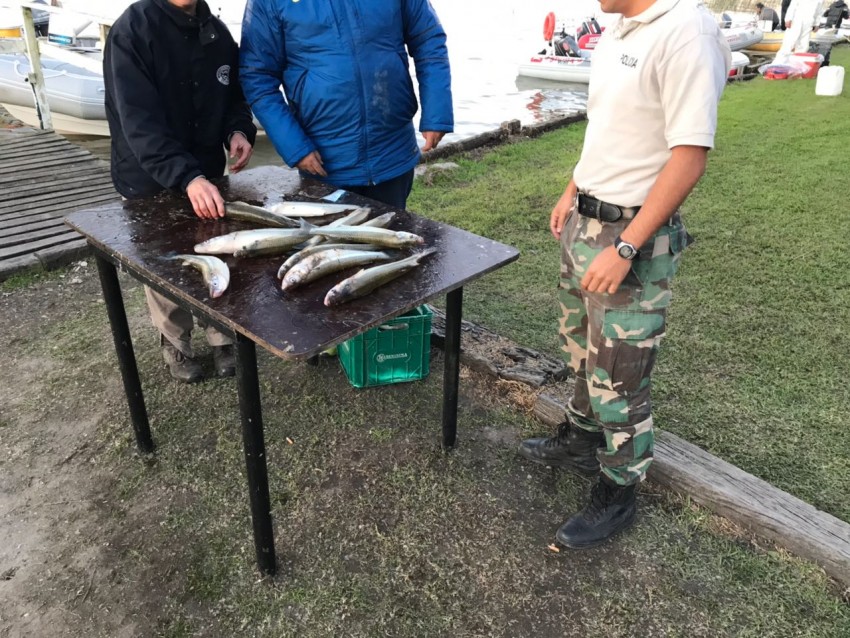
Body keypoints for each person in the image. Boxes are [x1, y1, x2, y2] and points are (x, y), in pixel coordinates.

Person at [518, 0, 730, 549]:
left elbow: (689, 156)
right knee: (582, 350)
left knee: (621, 372)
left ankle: (620, 490)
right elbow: (606, 130)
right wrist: (572, 190)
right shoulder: (616, 31)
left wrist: (628, 245)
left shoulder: (687, 32)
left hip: (632, 235)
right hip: (586, 224)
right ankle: (583, 441)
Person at [103, 0, 257, 383]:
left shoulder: (219, 35)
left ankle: (222, 335)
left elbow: (235, 97)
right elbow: (138, 122)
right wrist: (186, 177)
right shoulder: (132, 30)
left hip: (206, 173)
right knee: (165, 261)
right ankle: (175, 340)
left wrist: (237, 131)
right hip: (147, 176)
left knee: (217, 250)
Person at [238, 0, 453, 211]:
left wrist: (436, 112)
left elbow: (428, 40)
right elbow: (257, 77)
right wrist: (294, 146)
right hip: (323, 160)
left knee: (392, 238)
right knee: (331, 244)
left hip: (393, 149)